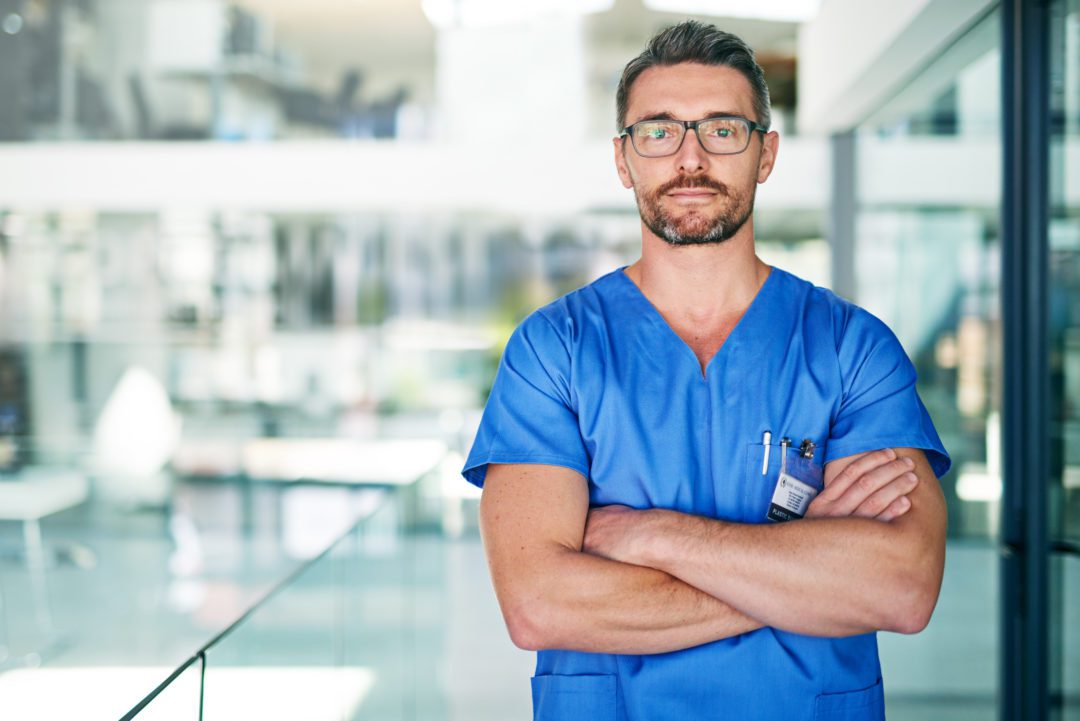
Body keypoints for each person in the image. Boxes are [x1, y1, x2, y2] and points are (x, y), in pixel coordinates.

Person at [461, 20, 950, 721]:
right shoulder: (555, 349)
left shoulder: (851, 348)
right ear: (624, 160)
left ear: (766, 152)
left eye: (722, 128)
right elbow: (537, 603)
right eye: (658, 131)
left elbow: (902, 586)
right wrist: (799, 569)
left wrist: (648, 534)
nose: (690, 157)